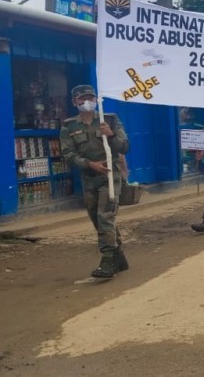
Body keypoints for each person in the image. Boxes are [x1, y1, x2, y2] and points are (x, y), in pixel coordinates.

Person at [60, 85, 130, 279]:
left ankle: (108, 260)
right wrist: (89, 164)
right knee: (96, 218)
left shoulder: (110, 120)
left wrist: (111, 135)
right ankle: (119, 255)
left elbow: (125, 146)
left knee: (105, 215)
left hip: (110, 174)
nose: (87, 102)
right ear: (75, 102)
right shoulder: (69, 126)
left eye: (91, 97)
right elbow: (68, 154)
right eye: (82, 99)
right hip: (89, 176)